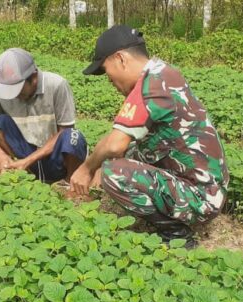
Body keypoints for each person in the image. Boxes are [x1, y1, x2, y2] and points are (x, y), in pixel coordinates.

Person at [69, 25, 230, 248]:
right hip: (205, 188)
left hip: (202, 198)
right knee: (124, 155)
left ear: (121, 59)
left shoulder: (152, 84)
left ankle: (176, 233)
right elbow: (117, 140)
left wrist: (88, 168)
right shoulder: (162, 73)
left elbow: (115, 145)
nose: (111, 82)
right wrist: (99, 162)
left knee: (114, 173)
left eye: (107, 72)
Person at [0, 48, 87, 183]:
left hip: (54, 157)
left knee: (72, 136)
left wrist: (29, 160)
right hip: (26, 151)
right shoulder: (2, 88)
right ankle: (22, 175)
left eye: (18, 89)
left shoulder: (57, 85)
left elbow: (66, 130)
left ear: (34, 78)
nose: (14, 95)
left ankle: (71, 183)